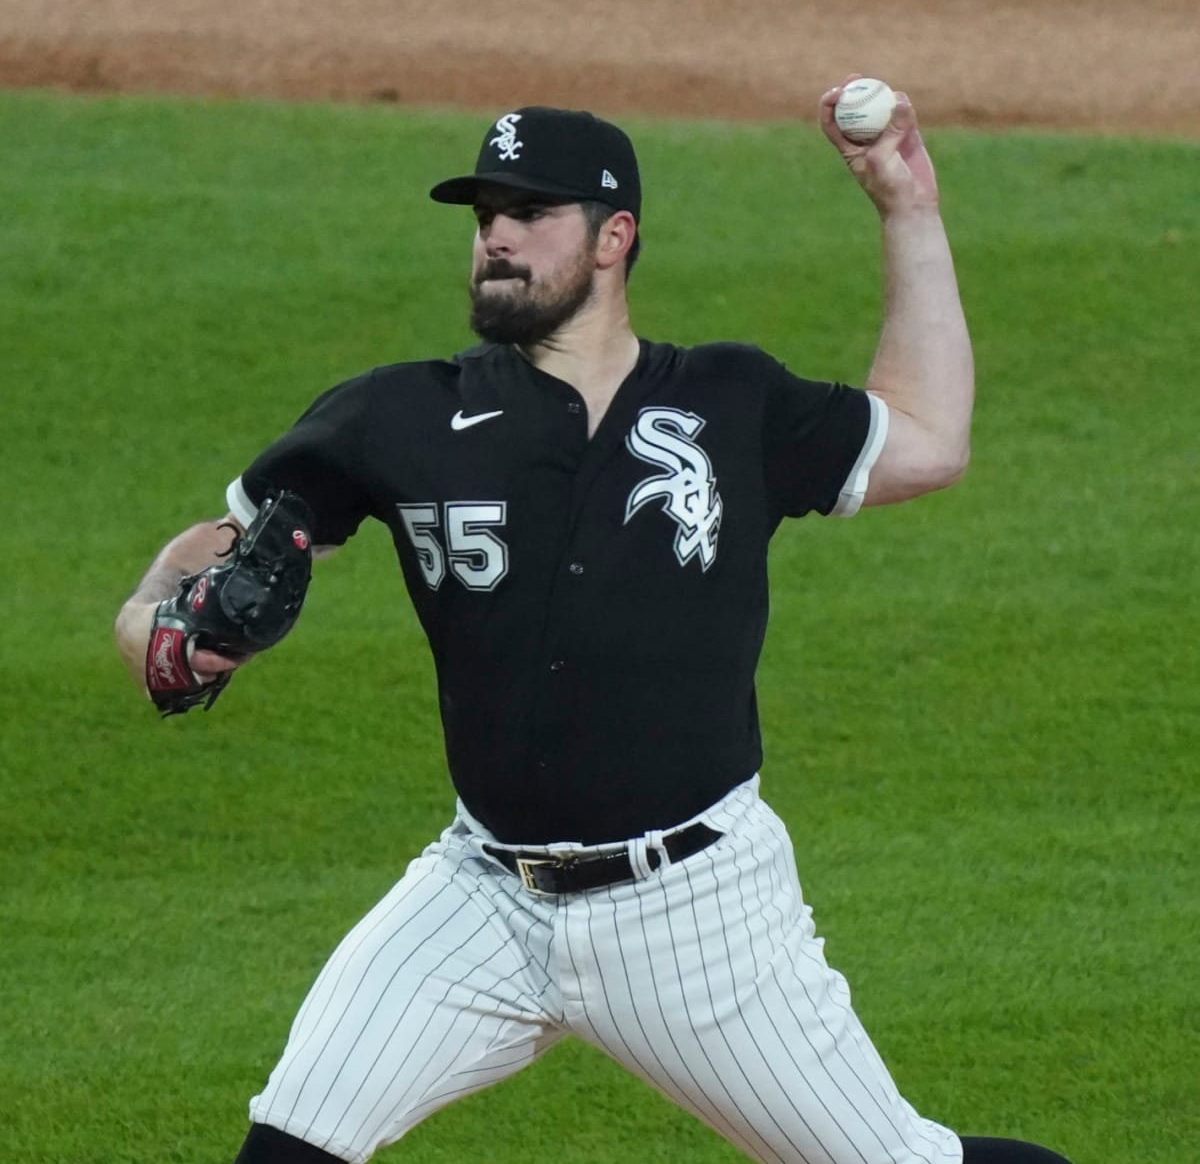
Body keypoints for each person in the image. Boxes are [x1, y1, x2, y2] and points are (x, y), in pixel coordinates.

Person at [115, 83, 1072, 1164]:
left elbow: (930, 439)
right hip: (479, 900)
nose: (498, 239)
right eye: (485, 217)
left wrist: (907, 210)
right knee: (288, 1147)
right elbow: (216, 545)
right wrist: (153, 620)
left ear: (615, 237)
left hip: (694, 914)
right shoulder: (398, 415)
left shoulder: (729, 401)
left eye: (532, 213)